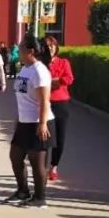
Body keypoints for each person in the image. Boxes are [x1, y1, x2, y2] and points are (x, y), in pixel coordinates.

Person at [6, 35, 56, 209]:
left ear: (30, 51)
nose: (17, 51)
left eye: (20, 49)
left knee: (37, 162)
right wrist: (18, 120)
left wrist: (42, 124)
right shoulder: (25, 69)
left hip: (39, 122)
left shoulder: (39, 71)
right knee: (15, 156)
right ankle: (22, 191)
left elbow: (44, 101)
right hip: (24, 122)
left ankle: (40, 198)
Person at [45, 36, 75, 182]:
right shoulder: (40, 64)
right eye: (47, 46)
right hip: (44, 103)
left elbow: (69, 79)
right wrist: (55, 81)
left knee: (59, 138)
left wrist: (54, 81)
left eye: (52, 45)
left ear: (56, 48)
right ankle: (42, 167)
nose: (50, 48)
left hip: (61, 103)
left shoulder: (64, 62)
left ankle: (54, 167)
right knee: (43, 136)